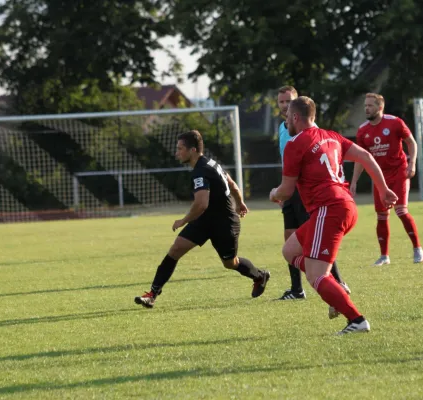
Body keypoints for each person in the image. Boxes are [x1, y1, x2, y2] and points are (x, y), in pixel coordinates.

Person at [269, 96, 398, 335]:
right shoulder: (333, 136)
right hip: (345, 205)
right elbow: (366, 157)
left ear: (296, 117)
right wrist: (384, 189)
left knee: (316, 275)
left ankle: (356, 319)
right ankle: (334, 287)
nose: (286, 121)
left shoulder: (295, 145)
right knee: (289, 251)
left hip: (329, 209)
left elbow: (285, 192)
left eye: (288, 117)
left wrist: (273, 193)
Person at [135, 130, 270, 308]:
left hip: (224, 223)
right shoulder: (211, 163)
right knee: (175, 250)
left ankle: (260, 276)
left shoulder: (200, 171)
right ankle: (152, 294)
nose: (177, 153)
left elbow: (201, 204)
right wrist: (240, 202)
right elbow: (232, 184)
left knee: (231, 263)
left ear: (192, 150)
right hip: (205, 221)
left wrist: (182, 221)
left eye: (180, 149)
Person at [276, 86, 351, 305]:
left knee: (318, 239)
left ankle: (337, 281)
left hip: (307, 190)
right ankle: (296, 288)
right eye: (281, 102)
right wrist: (282, 190)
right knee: (290, 238)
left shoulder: (311, 130)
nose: (284, 106)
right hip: (290, 189)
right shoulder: (283, 128)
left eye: (288, 102)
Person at [350, 93, 423, 266]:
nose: (366, 108)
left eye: (370, 105)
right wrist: (354, 181)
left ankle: (417, 249)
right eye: (365, 105)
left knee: (401, 210)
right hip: (379, 177)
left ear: (380, 107)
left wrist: (412, 163)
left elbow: (411, 142)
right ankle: (384, 256)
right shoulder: (363, 130)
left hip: (399, 173)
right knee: (382, 216)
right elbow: (361, 158)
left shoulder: (395, 123)